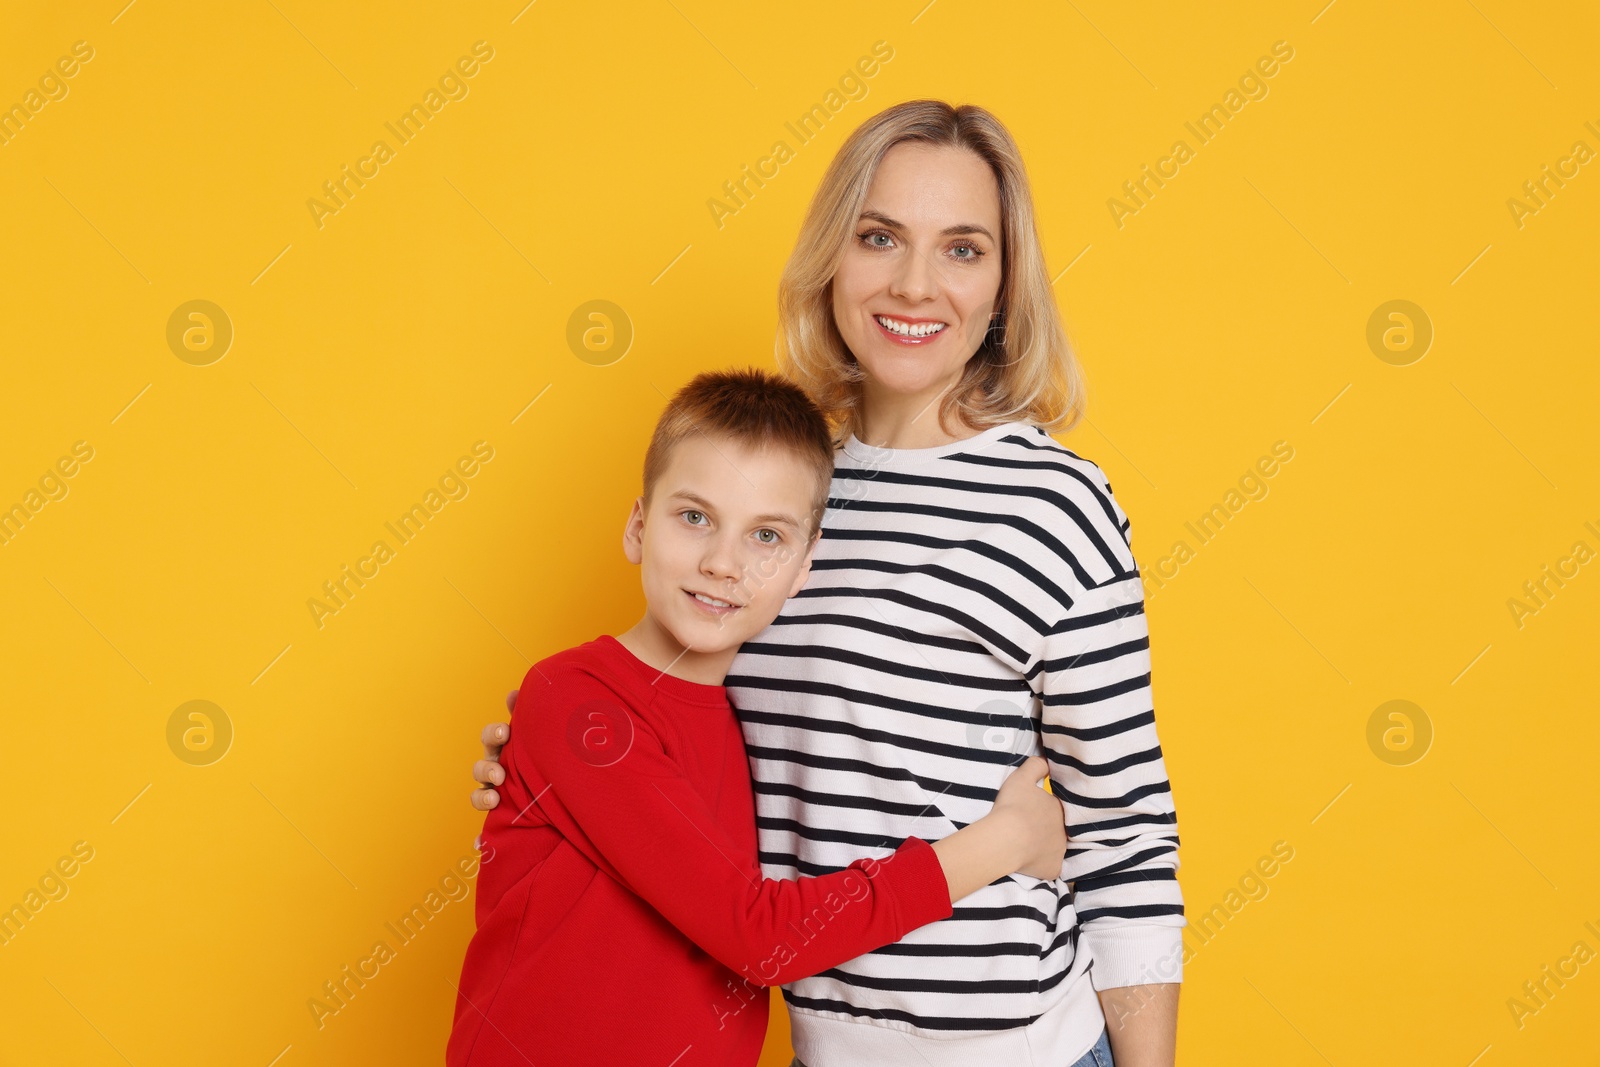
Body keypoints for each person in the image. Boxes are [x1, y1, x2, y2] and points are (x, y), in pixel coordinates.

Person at [473, 100, 1185, 1067]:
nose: (915, 283)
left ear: (1006, 287)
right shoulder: (777, 484)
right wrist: (543, 768)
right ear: (832, 259)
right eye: (880, 236)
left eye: (964, 250)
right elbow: (687, 722)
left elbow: (1126, 834)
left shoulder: (1053, 503)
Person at [446, 368, 1069, 1067]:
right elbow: (764, 936)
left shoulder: (747, 720)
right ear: (637, 527)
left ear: (802, 572)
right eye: (694, 517)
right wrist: (1006, 839)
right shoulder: (577, 699)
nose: (722, 563)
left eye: (765, 536)